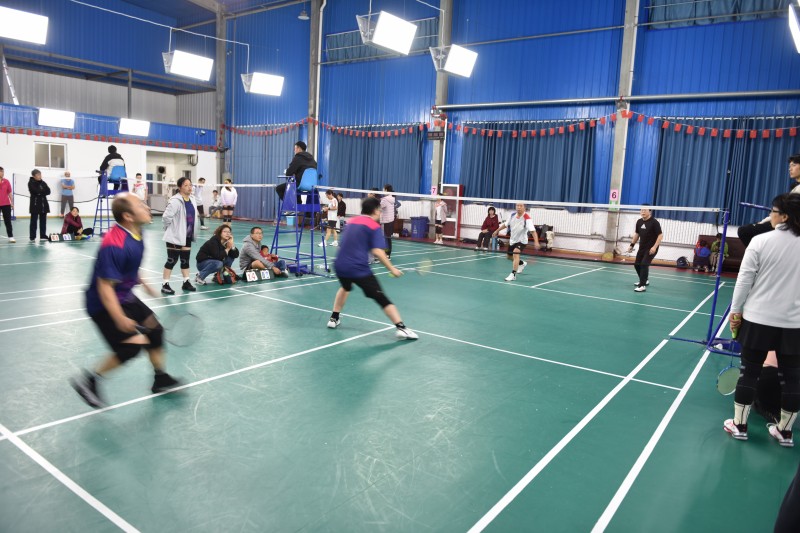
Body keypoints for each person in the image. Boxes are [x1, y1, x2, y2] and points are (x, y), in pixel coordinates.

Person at [69, 193, 180, 409]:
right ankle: (89, 381)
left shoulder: (138, 231)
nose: (147, 207)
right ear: (128, 216)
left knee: (155, 331)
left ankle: (160, 379)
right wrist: (119, 318)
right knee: (130, 347)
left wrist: (143, 282)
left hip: (124, 295)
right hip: (102, 303)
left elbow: (128, 265)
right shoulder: (114, 243)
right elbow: (104, 287)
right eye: (141, 205)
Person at [723, 193, 800, 447]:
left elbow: (744, 280)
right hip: (793, 324)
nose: (770, 216)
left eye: (773, 212)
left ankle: (739, 426)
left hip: (758, 320)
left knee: (749, 374)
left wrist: (736, 311)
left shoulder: (760, 241)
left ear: (784, 216)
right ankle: (785, 432)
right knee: (792, 379)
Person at [326, 196, 418, 340]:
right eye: (380, 210)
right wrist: (392, 269)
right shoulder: (373, 226)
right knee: (381, 297)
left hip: (340, 265)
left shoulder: (352, 221)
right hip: (358, 269)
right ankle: (401, 328)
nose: (380, 213)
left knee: (345, 287)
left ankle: (333, 318)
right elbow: (377, 252)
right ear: (375, 210)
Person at [738, 153, 800, 247]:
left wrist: (766, 222)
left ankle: (758, 254)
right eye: (789, 166)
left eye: (794, 165)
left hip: (787, 225)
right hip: (783, 222)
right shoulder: (795, 187)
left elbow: (786, 212)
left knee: (744, 231)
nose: (790, 169)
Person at [161, 177, 197, 294]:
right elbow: (166, 217)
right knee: (172, 260)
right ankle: (165, 284)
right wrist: (170, 230)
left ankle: (186, 282)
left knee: (185, 260)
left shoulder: (192, 199)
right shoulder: (175, 201)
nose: (189, 187)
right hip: (175, 235)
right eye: (186, 185)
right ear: (180, 187)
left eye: (190, 185)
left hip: (187, 235)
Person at [493, 203, 539, 282]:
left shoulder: (527, 218)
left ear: (524, 208)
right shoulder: (512, 215)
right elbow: (505, 225)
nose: (519, 207)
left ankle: (513, 274)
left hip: (522, 241)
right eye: (517, 206)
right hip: (512, 240)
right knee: (509, 257)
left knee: (515, 252)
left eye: (521, 206)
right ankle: (521, 263)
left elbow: (533, 231)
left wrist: (536, 242)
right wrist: (497, 231)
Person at [627, 206, 663, 292]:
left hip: (651, 248)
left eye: (645, 210)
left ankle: (642, 285)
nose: (643, 212)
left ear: (649, 211)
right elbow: (637, 234)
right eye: (641, 210)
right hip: (642, 247)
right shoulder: (639, 222)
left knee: (644, 264)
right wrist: (631, 245)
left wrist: (654, 247)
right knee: (637, 264)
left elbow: (660, 235)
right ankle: (644, 280)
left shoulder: (654, 222)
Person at [28, 169, 50, 243]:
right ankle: (32, 236)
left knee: (43, 221)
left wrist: (40, 192)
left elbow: (48, 191)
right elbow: (35, 191)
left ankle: (43, 235)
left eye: (40, 174)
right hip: (35, 205)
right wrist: (42, 191)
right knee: (33, 221)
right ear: (34, 176)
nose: (39, 176)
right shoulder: (31, 183)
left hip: (43, 205)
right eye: (38, 175)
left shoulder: (43, 182)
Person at [380, 184, 396, 259]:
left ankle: (386, 254)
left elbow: (379, 207)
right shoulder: (392, 198)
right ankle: (388, 254)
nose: (382, 191)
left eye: (383, 189)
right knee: (388, 238)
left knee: (386, 239)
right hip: (391, 221)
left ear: (386, 190)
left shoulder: (385, 199)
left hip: (386, 221)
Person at [0, 166, 14, 243]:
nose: (2, 173)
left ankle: (11, 236)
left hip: (6, 204)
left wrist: (12, 202)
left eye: (3, 171)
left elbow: (9, 193)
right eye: (1, 171)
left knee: (8, 221)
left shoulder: (6, 181)